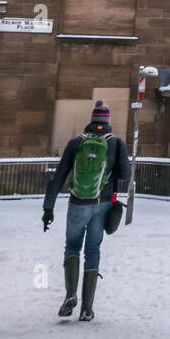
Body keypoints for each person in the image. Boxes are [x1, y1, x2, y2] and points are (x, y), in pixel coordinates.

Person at [42, 100, 132, 321]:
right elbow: (126, 175)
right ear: (108, 121)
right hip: (102, 205)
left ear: (91, 120)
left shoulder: (76, 143)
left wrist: (48, 207)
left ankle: (70, 295)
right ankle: (87, 308)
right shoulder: (116, 143)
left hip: (78, 203)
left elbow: (59, 175)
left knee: (72, 246)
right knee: (93, 251)